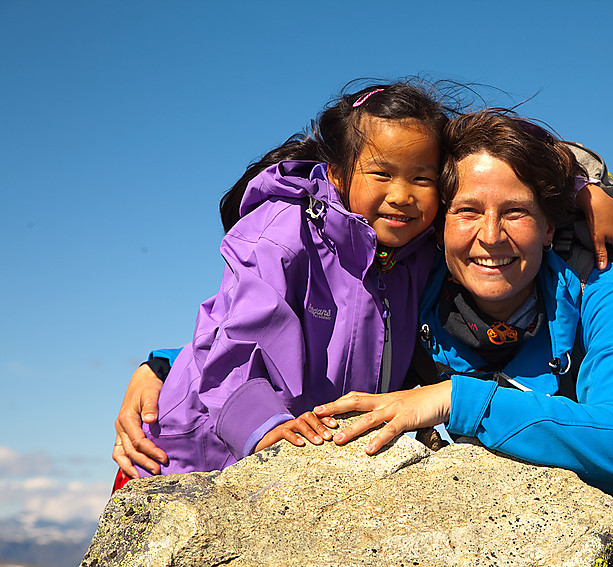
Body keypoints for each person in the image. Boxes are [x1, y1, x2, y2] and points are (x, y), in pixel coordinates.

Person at [312, 110, 613, 566]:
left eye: (515, 212)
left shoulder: (601, 287)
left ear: (549, 227)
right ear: (440, 225)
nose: (491, 236)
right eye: (467, 211)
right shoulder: (414, 292)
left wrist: (458, 399)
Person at [119, 80, 450, 477]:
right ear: (339, 175)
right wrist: (264, 425)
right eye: (381, 173)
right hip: (189, 451)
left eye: (422, 179)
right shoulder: (282, 232)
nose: (402, 195)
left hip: (311, 450)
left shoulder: (420, 255)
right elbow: (239, 339)